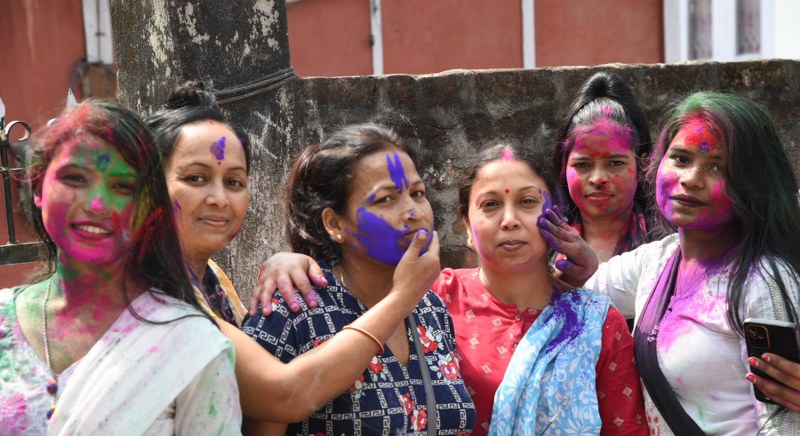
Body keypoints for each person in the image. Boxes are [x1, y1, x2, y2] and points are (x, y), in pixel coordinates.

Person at [253, 142, 647, 434]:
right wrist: (290, 257)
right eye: (490, 205)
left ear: (557, 216)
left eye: (528, 202)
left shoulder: (593, 321)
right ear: (466, 227)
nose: (510, 220)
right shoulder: (437, 296)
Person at [145, 83, 452, 425]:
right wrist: (402, 297)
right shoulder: (150, 290)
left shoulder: (211, 281)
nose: (219, 199)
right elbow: (284, 395)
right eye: (195, 178)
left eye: (234, 182)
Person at [0, 100, 240, 435]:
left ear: (147, 206)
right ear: (39, 187)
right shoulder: (4, 320)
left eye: (123, 186)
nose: (97, 204)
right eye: (75, 178)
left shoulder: (190, 344)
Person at [575, 92, 800, 433]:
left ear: (752, 185)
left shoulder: (762, 281)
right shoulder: (658, 260)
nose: (692, 178)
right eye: (680, 158)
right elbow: (577, 293)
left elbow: (783, 421)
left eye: (718, 167)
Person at [242, 124, 477, 434]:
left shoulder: (430, 308)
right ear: (335, 223)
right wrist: (403, 297)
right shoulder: (290, 311)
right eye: (386, 199)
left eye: (418, 193)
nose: (413, 211)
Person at [552, 71, 654, 264]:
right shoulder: (540, 248)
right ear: (563, 167)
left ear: (642, 165)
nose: (598, 179)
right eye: (582, 165)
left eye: (615, 163)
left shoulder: (668, 249)